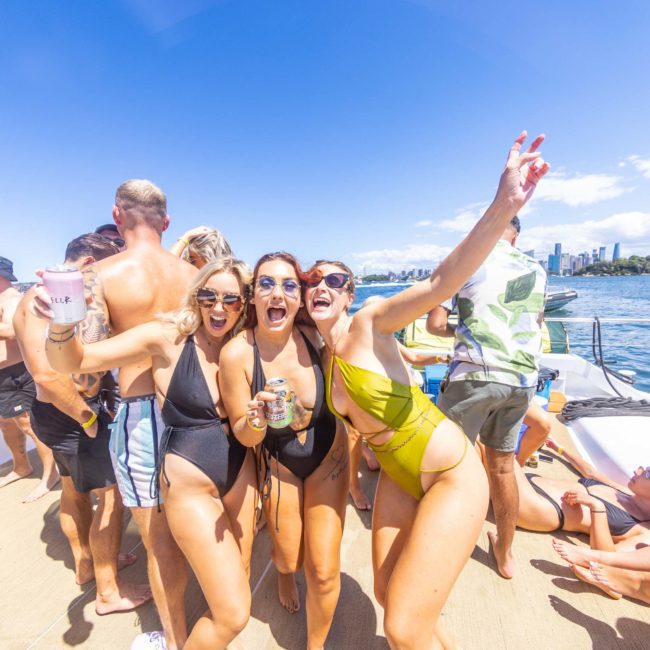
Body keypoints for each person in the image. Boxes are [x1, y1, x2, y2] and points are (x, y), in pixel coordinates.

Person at [302, 132, 549, 647]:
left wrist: (504, 205)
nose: (321, 286)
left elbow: (440, 284)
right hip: (396, 473)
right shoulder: (323, 354)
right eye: (312, 279)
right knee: (392, 599)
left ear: (351, 294)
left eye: (336, 280)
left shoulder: (371, 322)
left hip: (451, 474)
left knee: (401, 626)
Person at [43, 258, 258, 649]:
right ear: (195, 296)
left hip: (242, 469)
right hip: (190, 471)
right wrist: (61, 321)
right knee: (233, 611)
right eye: (209, 296)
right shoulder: (165, 337)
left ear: (245, 303)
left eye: (231, 299)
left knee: (239, 578)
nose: (219, 307)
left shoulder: (244, 342)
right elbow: (74, 361)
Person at [37, 180, 197, 650]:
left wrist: (60, 329)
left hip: (141, 416)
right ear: (166, 223)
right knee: (200, 520)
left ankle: (175, 640)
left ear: (118, 215)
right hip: (197, 416)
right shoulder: (195, 277)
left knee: (158, 540)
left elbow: (84, 379)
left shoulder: (101, 275)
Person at [14, 234, 151, 614]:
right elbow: (46, 374)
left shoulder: (33, 297)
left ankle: (87, 564)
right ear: (90, 260)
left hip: (50, 415)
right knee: (112, 498)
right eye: (109, 266)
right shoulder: (59, 302)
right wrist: (87, 415)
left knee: (73, 491)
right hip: (75, 412)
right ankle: (108, 591)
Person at [219, 252, 348, 649]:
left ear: (299, 297)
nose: (278, 293)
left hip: (328, 454)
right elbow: (245, 436)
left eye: (289, 285)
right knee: (290, 557)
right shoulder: (237, 354)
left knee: (324, 570)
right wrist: (256, 419)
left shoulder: (312, 334)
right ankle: (284, 574)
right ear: (253, 296)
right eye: (267, 284)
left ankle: (315, 645)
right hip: (279, 460)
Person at [428, 213, 547, 580]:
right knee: (501, 466)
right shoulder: (537, 269)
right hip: (523, 381)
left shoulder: (467, 256)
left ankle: (437, 548)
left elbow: (434, 324)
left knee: (446, 465)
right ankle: (506, 554)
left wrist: (463, 333)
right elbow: (536, 325)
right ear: (516, 236)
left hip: (476, 375)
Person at [508, 439, 650, 596]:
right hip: (531, 481)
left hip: (540, 507)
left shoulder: (644, 531)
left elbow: (608, 560)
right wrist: (559, 449)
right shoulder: (626, 492)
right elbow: (591, 472)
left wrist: (598, 508)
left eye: (648, 473)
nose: (639, 471)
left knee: (494, 443)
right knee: (494, 441)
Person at [0, 256, 60, 501]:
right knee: (6, 423)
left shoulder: (13, 298)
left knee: (28, 424)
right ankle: (21, 466)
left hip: (15, 373)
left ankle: (51, 474)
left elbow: (13, 331)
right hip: (3, 375)